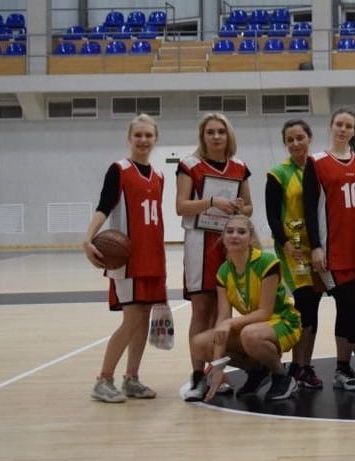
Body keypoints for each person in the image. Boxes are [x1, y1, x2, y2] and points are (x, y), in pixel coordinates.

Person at [83, 114, 166, 403]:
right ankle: (103, 380)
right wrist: (88, 238)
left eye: (148, 135)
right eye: (138, 135)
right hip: (128, 261)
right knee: (131, 320)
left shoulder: (159, 175)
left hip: (153, 257)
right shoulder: (119, 169)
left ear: (156, 139)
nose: (143, 140)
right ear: (129, 138)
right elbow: (104, 206)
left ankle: (132, 378)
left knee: (143, 320)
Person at [304, 107, 355, 392]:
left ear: (354, 131)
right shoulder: (316, 162)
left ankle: (342, 369)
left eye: (348, 126)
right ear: (331, 126)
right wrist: (316, 247)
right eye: (339, 124)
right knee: (351, 304)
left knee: (346, 307)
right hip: (333, 249)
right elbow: (309, 209)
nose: (343, 129)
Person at [177, 113, 253, 401]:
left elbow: (249, 208)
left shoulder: (239, 166)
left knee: (224, 313)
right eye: (210, 132)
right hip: (200, 243)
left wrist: (238, 207)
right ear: (203, 136)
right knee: (202, 310)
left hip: (230, 244)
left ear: (228, 134)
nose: (216, 136)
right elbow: (181, 206)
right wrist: (212, 201)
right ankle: (198, 375)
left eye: (221, 131)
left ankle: (217, 371)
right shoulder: (190, 165)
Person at [194, 215, 301, 402]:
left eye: (241, 232)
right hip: (252, 326)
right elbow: (223, 320)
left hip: (284, 321)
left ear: (250, 238)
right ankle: (257, 371)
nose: (235, 235)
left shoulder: (266, 262)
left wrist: (229, 323)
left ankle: (282, 376)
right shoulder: (223, 272)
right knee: (200, 343)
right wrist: (218, 368)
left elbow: (265, 312)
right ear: (223, 237)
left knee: (249, 335)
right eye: (230, 231)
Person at [265, 120, 324, 389]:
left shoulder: (319, 168)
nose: (296, 143)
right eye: (290, 139)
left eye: (300, 137)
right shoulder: (278, 174)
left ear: (309, 138)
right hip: (294, 248)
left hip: (317, 247)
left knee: (314, 305)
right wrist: (286, 243)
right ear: (285, 144)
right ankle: (297, 364)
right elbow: (272, 216)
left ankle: (304, 365)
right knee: (304, 303)